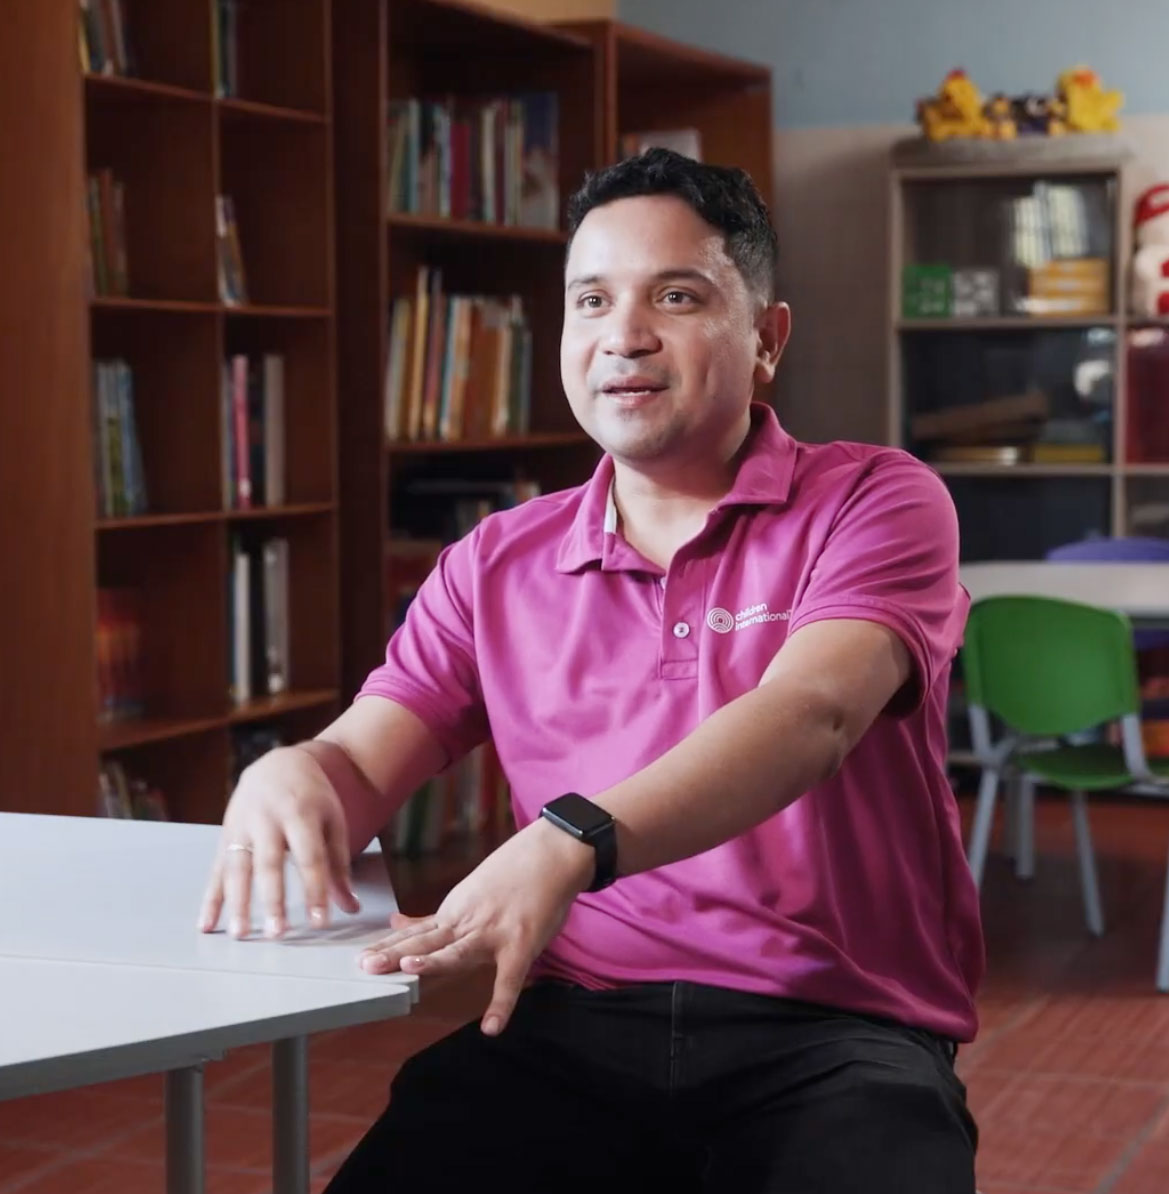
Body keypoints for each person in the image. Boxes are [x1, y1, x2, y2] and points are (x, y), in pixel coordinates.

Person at [198, 148, 982, 1193]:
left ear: (765, 340)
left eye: (675, 295)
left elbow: (811, 713)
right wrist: (291, 772)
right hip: (565, 1026)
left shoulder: (873, 500)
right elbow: (360, 756)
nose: (623, 334)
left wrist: (571, 843)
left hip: (833, 1033)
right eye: (590, 300)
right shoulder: (493, 561)